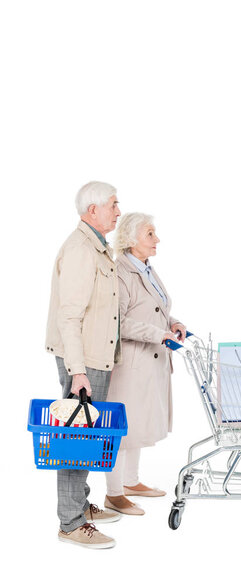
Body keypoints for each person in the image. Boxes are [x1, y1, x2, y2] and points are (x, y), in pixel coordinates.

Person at [46, 181, 122, 549]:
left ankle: (81, 505)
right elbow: (69, 317)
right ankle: (71, 523)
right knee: (76, 441)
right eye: (113, 204)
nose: (118, 211)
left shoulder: (98, 248)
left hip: (95, 358)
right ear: (92, 210)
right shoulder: (80, 250)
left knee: (86, 438)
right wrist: (77, 371)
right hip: (84, 361)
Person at [104, 212, 186, 515]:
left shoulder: (147, 269)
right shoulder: (121, 273)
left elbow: (156, 308)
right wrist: (158, 333)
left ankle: (130, 481)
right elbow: (117, 322)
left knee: (136, 423)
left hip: (152, 360)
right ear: (130, 238)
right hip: (131, 363)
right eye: (150, 234)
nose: (157, 240)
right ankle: (113, 493)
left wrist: (174, 323)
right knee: (121, 430)